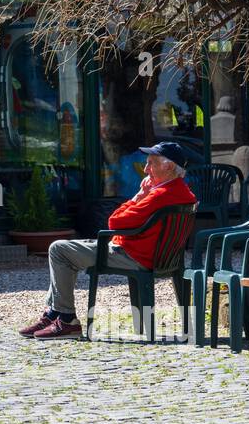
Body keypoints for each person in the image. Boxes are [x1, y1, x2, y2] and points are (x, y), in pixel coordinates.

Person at [20, 141, 197, 340]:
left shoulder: (160, 195)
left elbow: (114, 222)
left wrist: (138, 196)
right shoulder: (183, 191)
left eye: (151, 163)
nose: (146, 170)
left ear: (169, 166)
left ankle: (66, 319)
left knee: (58, 249)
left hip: (133, 256)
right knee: (67, 250)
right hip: (152, 255)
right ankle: (55, 313)